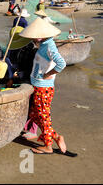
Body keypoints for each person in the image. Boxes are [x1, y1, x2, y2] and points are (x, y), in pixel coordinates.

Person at [19, 17, 70, 155]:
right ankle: (56, 136)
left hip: (43, 87)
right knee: (35, 115)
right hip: (38, 86)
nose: (33, 39)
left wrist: (49, 74)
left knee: (43, 116)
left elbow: (61, 63)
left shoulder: (49, 46)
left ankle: (48, 146)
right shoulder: (44, 44)